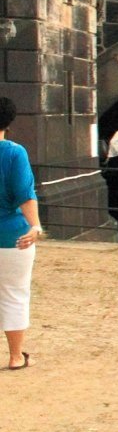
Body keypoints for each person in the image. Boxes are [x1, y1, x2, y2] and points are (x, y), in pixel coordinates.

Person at [0, 97, 41, 371]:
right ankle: (15, 357)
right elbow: (25, 195)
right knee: (14, 294)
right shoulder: (14, 153)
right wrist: (35, 225)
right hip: (11, 237)